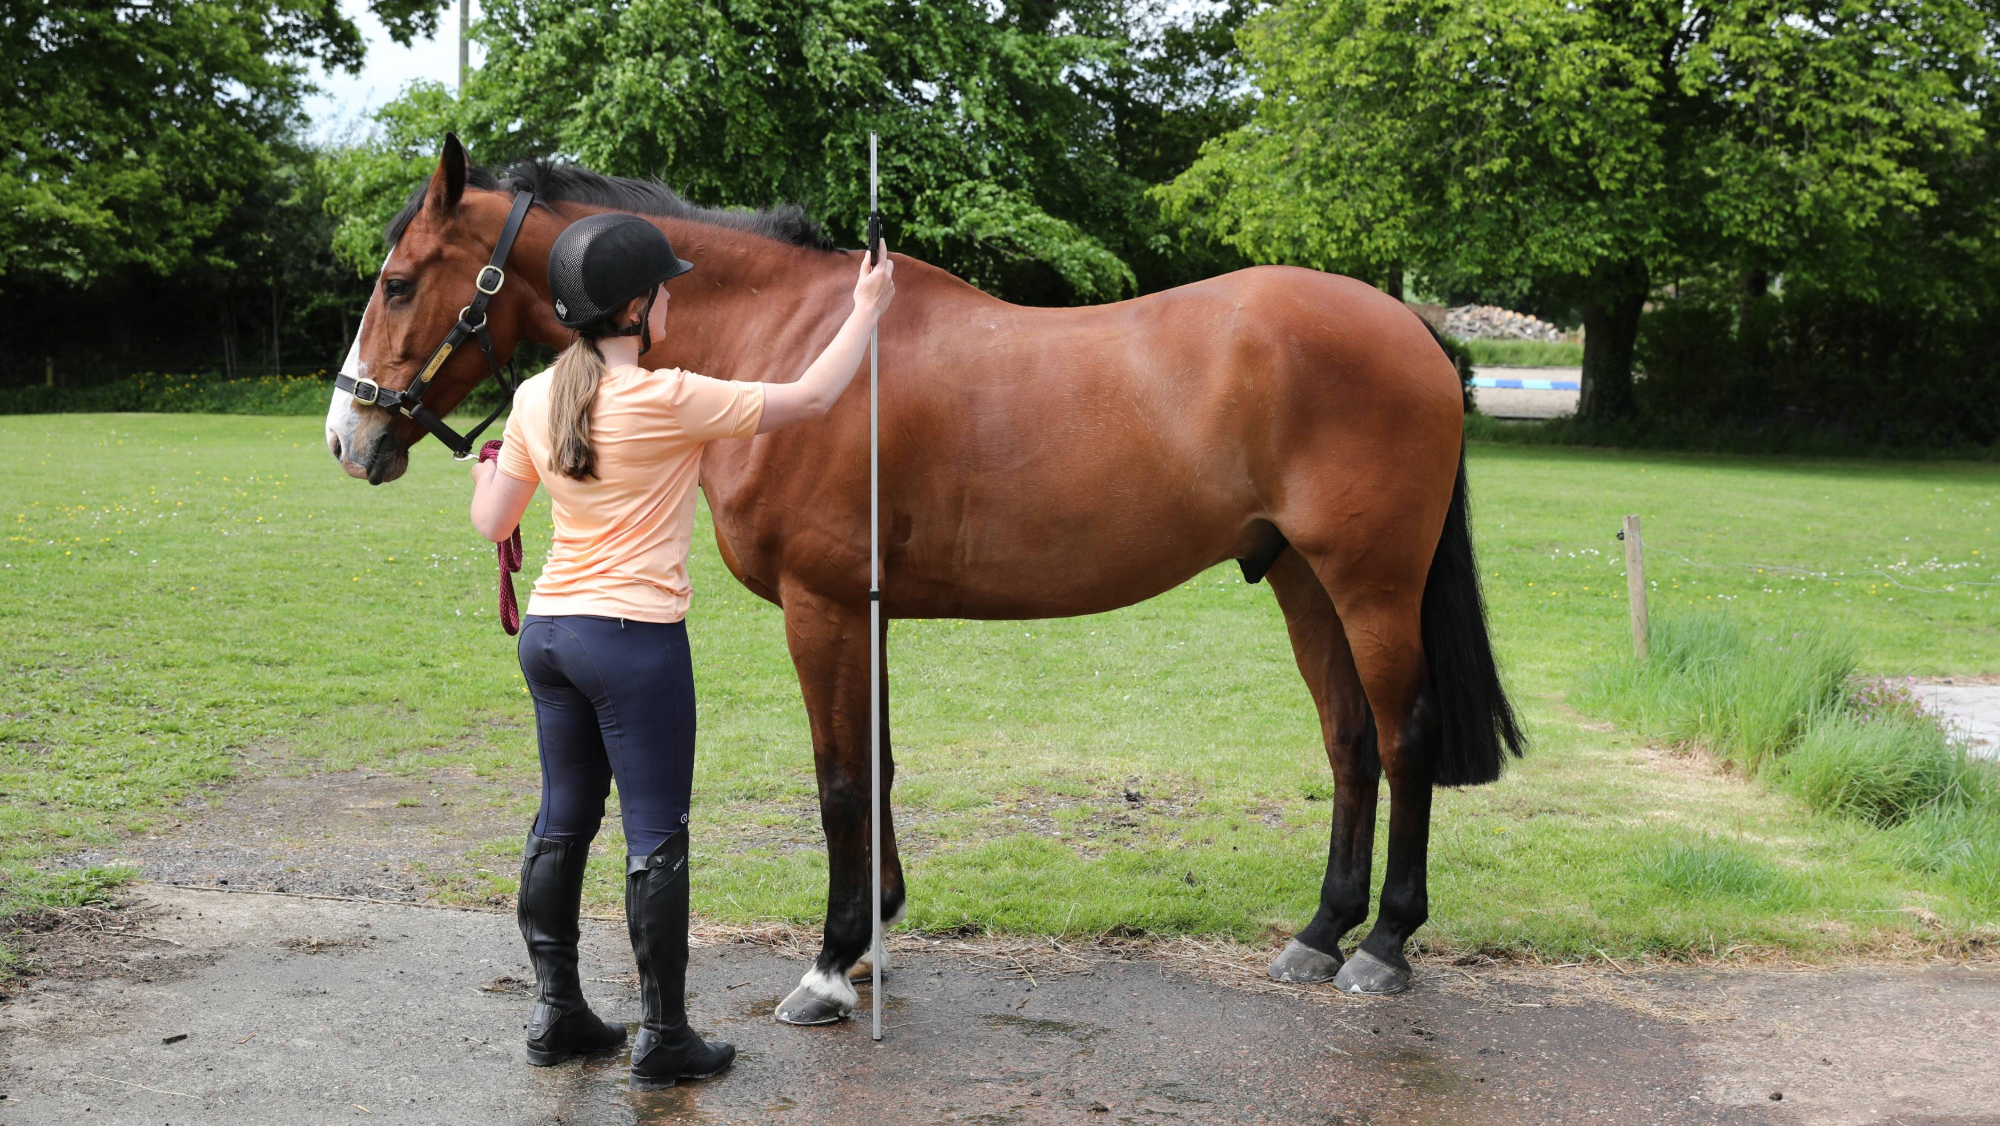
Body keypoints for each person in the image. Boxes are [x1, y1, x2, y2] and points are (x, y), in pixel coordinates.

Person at [468, 212, 894, 1089]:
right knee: (655, 835)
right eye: (664, 289)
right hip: (633, 641)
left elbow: (492, 522)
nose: (672, 300)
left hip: (550, 635)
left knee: (562, 820)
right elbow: (812, 397)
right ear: (633, 308)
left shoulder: (532, 398)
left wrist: (489, 476)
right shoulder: (671, 397)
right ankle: (664, 1037)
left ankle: (558, 1016)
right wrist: (866, 307)